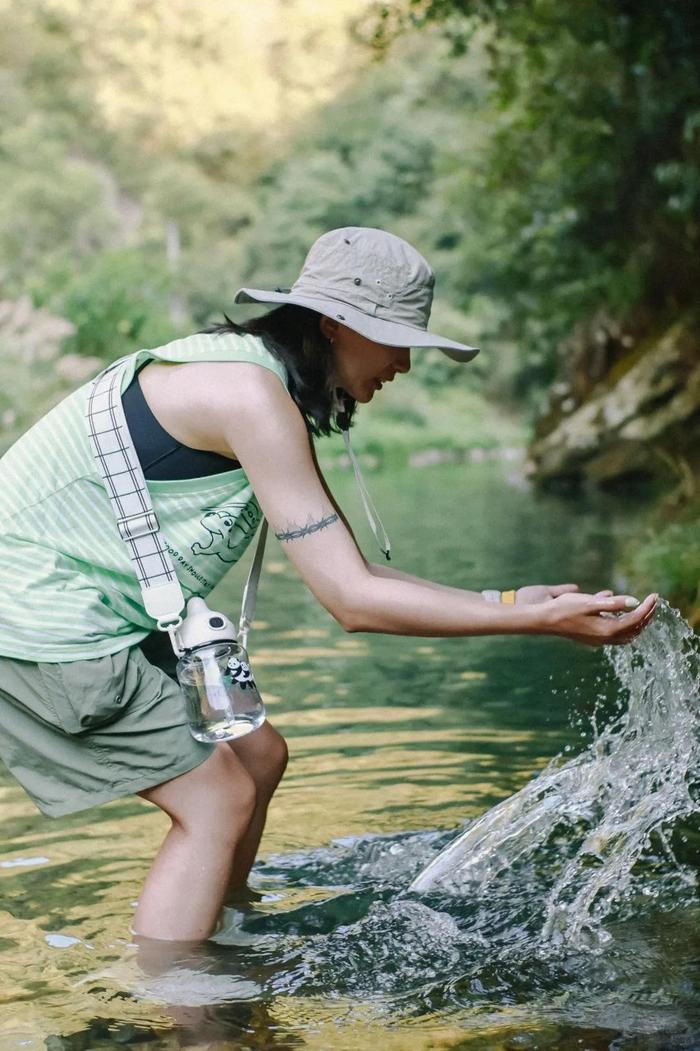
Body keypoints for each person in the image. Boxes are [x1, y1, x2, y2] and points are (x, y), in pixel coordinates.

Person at [0, 227, 657, 942]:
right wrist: (540, 624)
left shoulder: (253, 382)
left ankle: (224, 926)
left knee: (259, 754)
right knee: (216, 801)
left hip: (78, 604)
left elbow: (356, 569)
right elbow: (351, 602)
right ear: (335, 325)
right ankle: (186, 1007)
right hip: (39, 620)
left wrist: (510, 601)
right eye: (394, 339)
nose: (405, 361)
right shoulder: (247, 397)